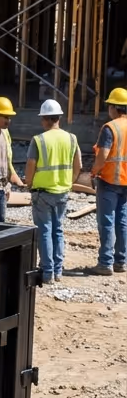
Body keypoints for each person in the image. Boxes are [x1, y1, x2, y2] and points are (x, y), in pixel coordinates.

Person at [25, 99, 82, 284]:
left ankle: (47, 273)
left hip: (43, 193)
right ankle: (58, 271)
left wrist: (28, 183)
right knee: (58, 231)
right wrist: (69, 182)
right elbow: (78, 165)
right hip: (62, 192)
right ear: (58, 118)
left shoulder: (39, 140)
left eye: (42, 118)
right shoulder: (71, 138)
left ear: (46, 119)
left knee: (45, 231)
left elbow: (30, 166)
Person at [87, 87, 127, 276]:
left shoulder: (110, 128)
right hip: (126, 183)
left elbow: (103, 155)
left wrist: (94, 172)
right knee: (122, 222)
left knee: (107, 222)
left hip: (109, 180)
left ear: (114, 107)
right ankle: (121, 261)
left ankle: (105, 263)